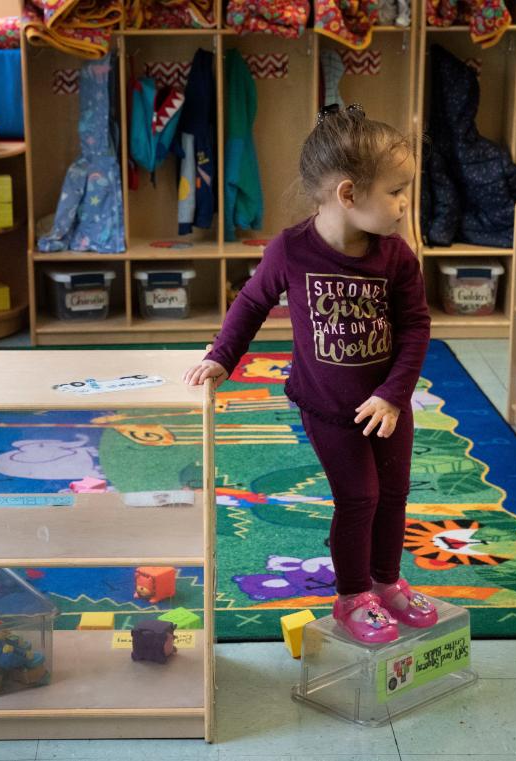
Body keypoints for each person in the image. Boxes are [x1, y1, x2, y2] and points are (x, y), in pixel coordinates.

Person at [184, 105, 434, 642]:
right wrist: (222, 356)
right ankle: (352, 596)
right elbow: (251, 302)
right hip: (327, 407)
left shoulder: (396, 257)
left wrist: (393, 395)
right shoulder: (291, 250)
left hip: (388, 405)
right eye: (396, 191)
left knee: (394, 494)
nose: (405, 203)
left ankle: (386, 581)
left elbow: (416, 327)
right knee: (359, 498)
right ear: (348, 195)